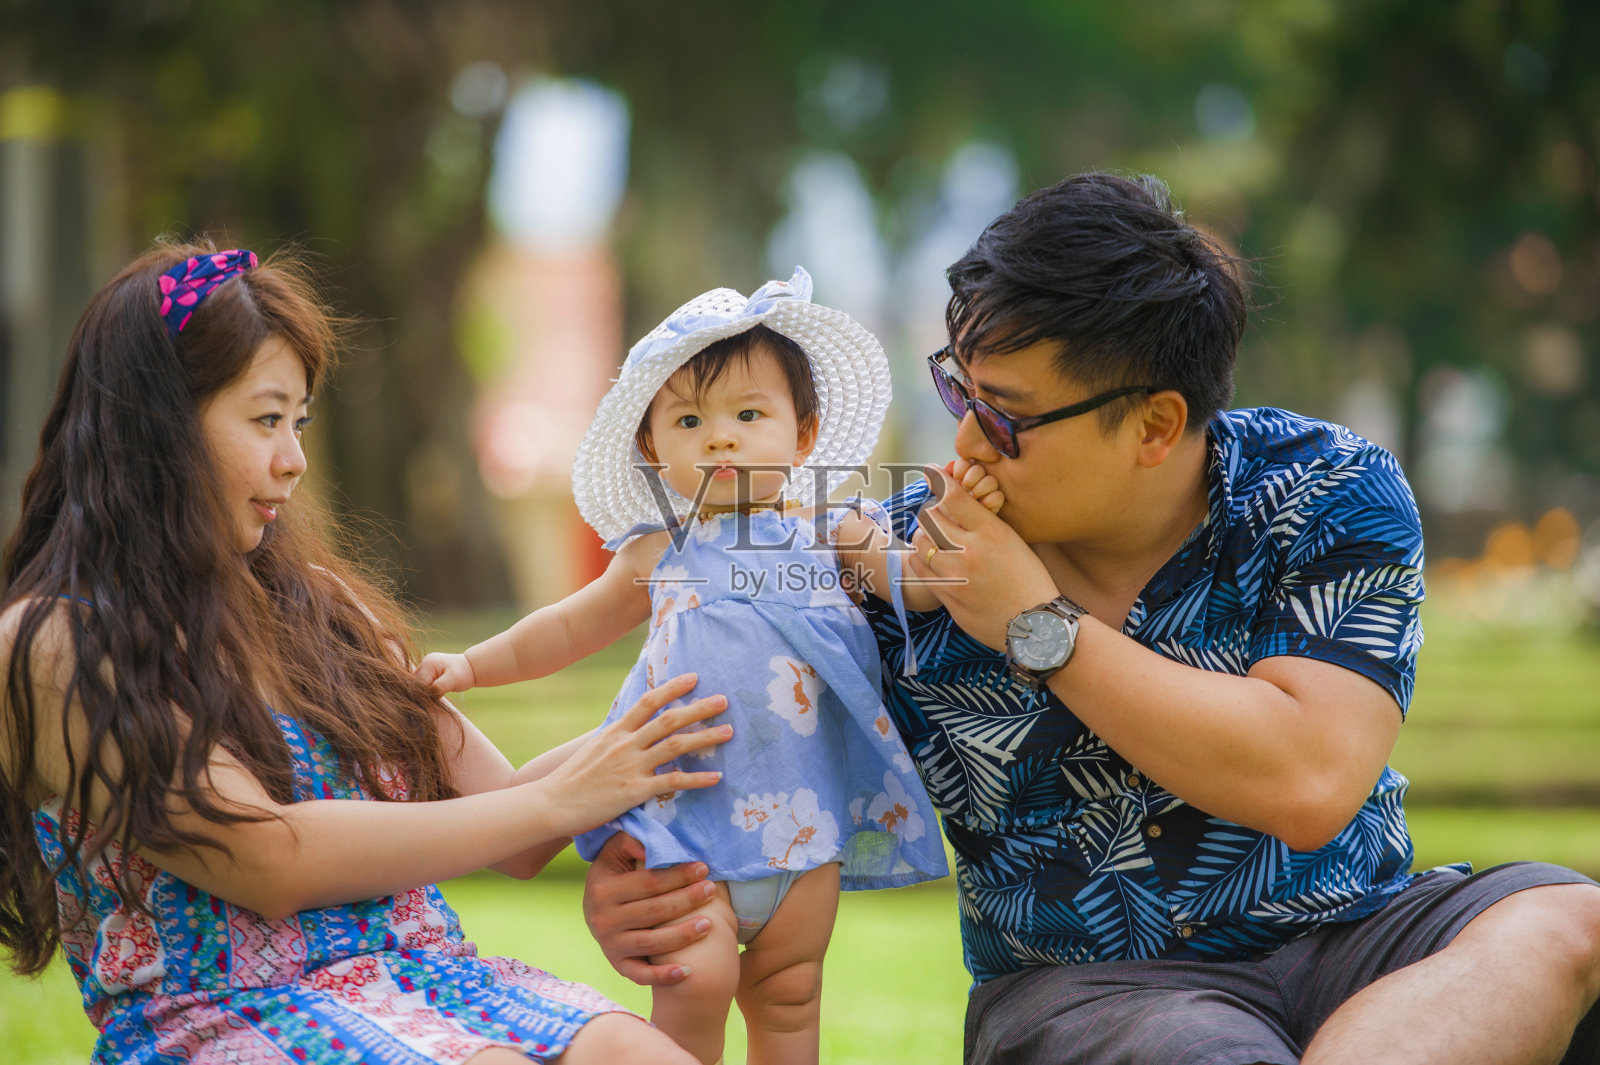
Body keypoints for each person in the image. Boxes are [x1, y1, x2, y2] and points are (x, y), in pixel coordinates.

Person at [581, 173, 1600, 1064]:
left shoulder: (1323, 488)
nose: (964, 443)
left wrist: (1036, 621)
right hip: (1094, 993)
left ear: (1154, 425)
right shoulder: (880, 564)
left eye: (1007, 416)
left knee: (1566, 923)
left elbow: (1308, 778)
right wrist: (638, 880)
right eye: (958, 389)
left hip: (1362, 933)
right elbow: (714, 714)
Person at [0, 243, 737, 1065]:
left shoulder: (319, 607)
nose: (294, 458)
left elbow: (512, 821)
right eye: (265, 418)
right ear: (157, 425)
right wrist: (562, 801)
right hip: (230, 1019)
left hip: (437, 981)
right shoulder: (58, 643)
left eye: (300, 421)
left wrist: (693, 714)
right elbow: (267, 857)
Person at [417, 267, 973, 1065]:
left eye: (750, 414)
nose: (720, 437)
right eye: (688, 420)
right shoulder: (658, 550)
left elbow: (911, 583)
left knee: (789, 997)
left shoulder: (831, 526)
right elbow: (566, 627)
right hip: (686, 827)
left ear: (803, 434)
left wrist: (952, 542)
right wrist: (473, 665)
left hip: (804, 829)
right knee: (693, 984)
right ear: (653, 448)